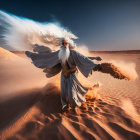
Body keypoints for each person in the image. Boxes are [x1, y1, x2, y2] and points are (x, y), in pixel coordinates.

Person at [25, 39, 102, 112]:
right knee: (64, 92)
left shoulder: (73, 53)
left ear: (68, 45)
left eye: (66, 44)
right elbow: (48, 57)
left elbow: (84, 58)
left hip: (72, 75)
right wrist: (32, 55)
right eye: (63, 44)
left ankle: (76, 105)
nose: (65, 45)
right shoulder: (59, 53)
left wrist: (94, 59)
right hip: (64, 75)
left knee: (72, 94)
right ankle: (65, 105)